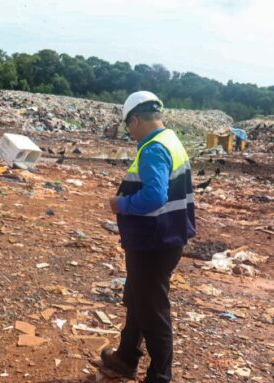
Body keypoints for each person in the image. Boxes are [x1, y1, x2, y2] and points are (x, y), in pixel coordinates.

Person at [100, 91, 196, 383]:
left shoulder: (153, 148)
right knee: (138, 298)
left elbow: (155, 196)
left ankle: (160, 375)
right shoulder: (170, 139)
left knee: (152, 308)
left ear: (136, 119)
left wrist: (121, 204)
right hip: (166, 237)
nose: (129, 132)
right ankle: (126, 357)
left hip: (154, 242)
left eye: (128, 125)